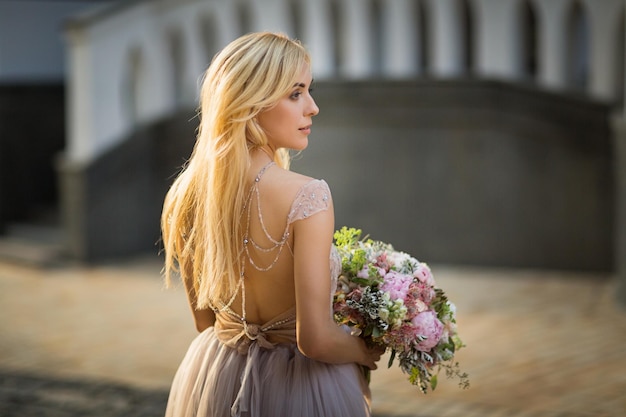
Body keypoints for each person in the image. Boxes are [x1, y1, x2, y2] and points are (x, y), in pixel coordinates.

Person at [160, 32, 384, 417]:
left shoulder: (185, 193)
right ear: (250, 103)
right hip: (303, 388)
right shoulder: (308, 196)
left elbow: (204, 322)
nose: (312, 108)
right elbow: (314, 341)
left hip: (218, 379)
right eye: (295, 93)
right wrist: (368, 350)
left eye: (308, 92)